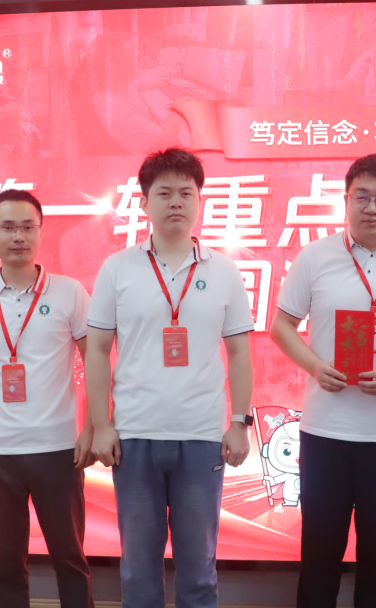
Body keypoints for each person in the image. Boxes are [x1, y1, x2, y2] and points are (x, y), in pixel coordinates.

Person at [271, 153, 376, 608]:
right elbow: (281, 325)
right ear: (346, 200)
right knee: (319, 552)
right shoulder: (315, 256)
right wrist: (314, 366)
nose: (371, 207)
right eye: (361, 196)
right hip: (325, 432)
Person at [85, 147, 254, 608]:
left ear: (200, 200)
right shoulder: (118, 268)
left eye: (186, 192)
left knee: (198, 570)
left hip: (201, 437)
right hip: (134, 436)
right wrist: (101, 424)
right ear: (144, 203)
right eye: (164, 193)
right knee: (139, 570)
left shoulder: (224, 271)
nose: (176, 201)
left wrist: (240, 422)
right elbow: (97, 350)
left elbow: (239, 352)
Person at [0, 189, 95, 608]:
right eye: (8, 227)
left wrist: (93, 427)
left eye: (28, 227)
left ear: (41, 233)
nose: (19, 237)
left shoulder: (69, 292)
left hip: (59, 450)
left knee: (71, 559)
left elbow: (98, 362)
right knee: (7, 565)